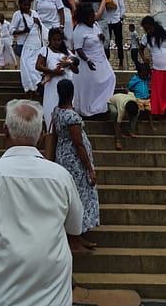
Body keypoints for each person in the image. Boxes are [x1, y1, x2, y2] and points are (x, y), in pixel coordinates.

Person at [0, 99, 83, 306]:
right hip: (53, 297)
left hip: (2, 296)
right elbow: (75, 228)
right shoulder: (61, 177)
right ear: (41, 136)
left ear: (5, 131)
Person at [52, 78, 99, 253]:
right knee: (77, 198)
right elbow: (78, 144)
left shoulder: (57, 112)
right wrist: (89, 168)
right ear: (72, 94)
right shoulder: (71, 116)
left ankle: (78, 236)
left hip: (63, 157)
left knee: (74, 197)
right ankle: (74, 239)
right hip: (75, 162)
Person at [72, 1, 116, 116]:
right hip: (87, 61)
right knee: (92, 84)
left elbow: (98, 38)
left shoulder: (95, 26)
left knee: (110, 78)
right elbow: (78, 48)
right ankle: (89, 109)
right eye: (91, 17)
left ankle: (101, 107)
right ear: (84, 18)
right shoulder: (79, 30)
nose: (93, 18)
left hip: (100, 58)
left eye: (94, 15)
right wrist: (87, 60)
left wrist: (101, 38)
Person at [36, 27, 78, 127]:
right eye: (54, 40)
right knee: (51, 110)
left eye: (59, 40)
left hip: (66, 86)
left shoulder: (67, 52)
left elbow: (76, 69)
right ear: (50, 40)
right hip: (52, 86)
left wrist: (68, 64)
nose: (57, 42)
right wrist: (53, 71)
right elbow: (38, 66)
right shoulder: (45, 50)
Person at [10, 0, 43, 93]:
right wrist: (23, 31)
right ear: (20, 4)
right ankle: (32, 86)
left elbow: (41, 29)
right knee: (28, 67)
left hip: (36, 46)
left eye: (29, 5)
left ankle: (36, 86)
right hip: (23, 46)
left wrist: (39, 23)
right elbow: (11, 30)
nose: (27, 7)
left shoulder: (34, 14)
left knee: (35, 67)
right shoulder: (17, 15)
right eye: (25, 5)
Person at [101, 0, 126, 69]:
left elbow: (122, 6)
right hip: (106, 21)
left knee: (119, 41)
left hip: (116, 20)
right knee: (106, 42)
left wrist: (121, 18)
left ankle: (121, 61)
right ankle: (106, 62)